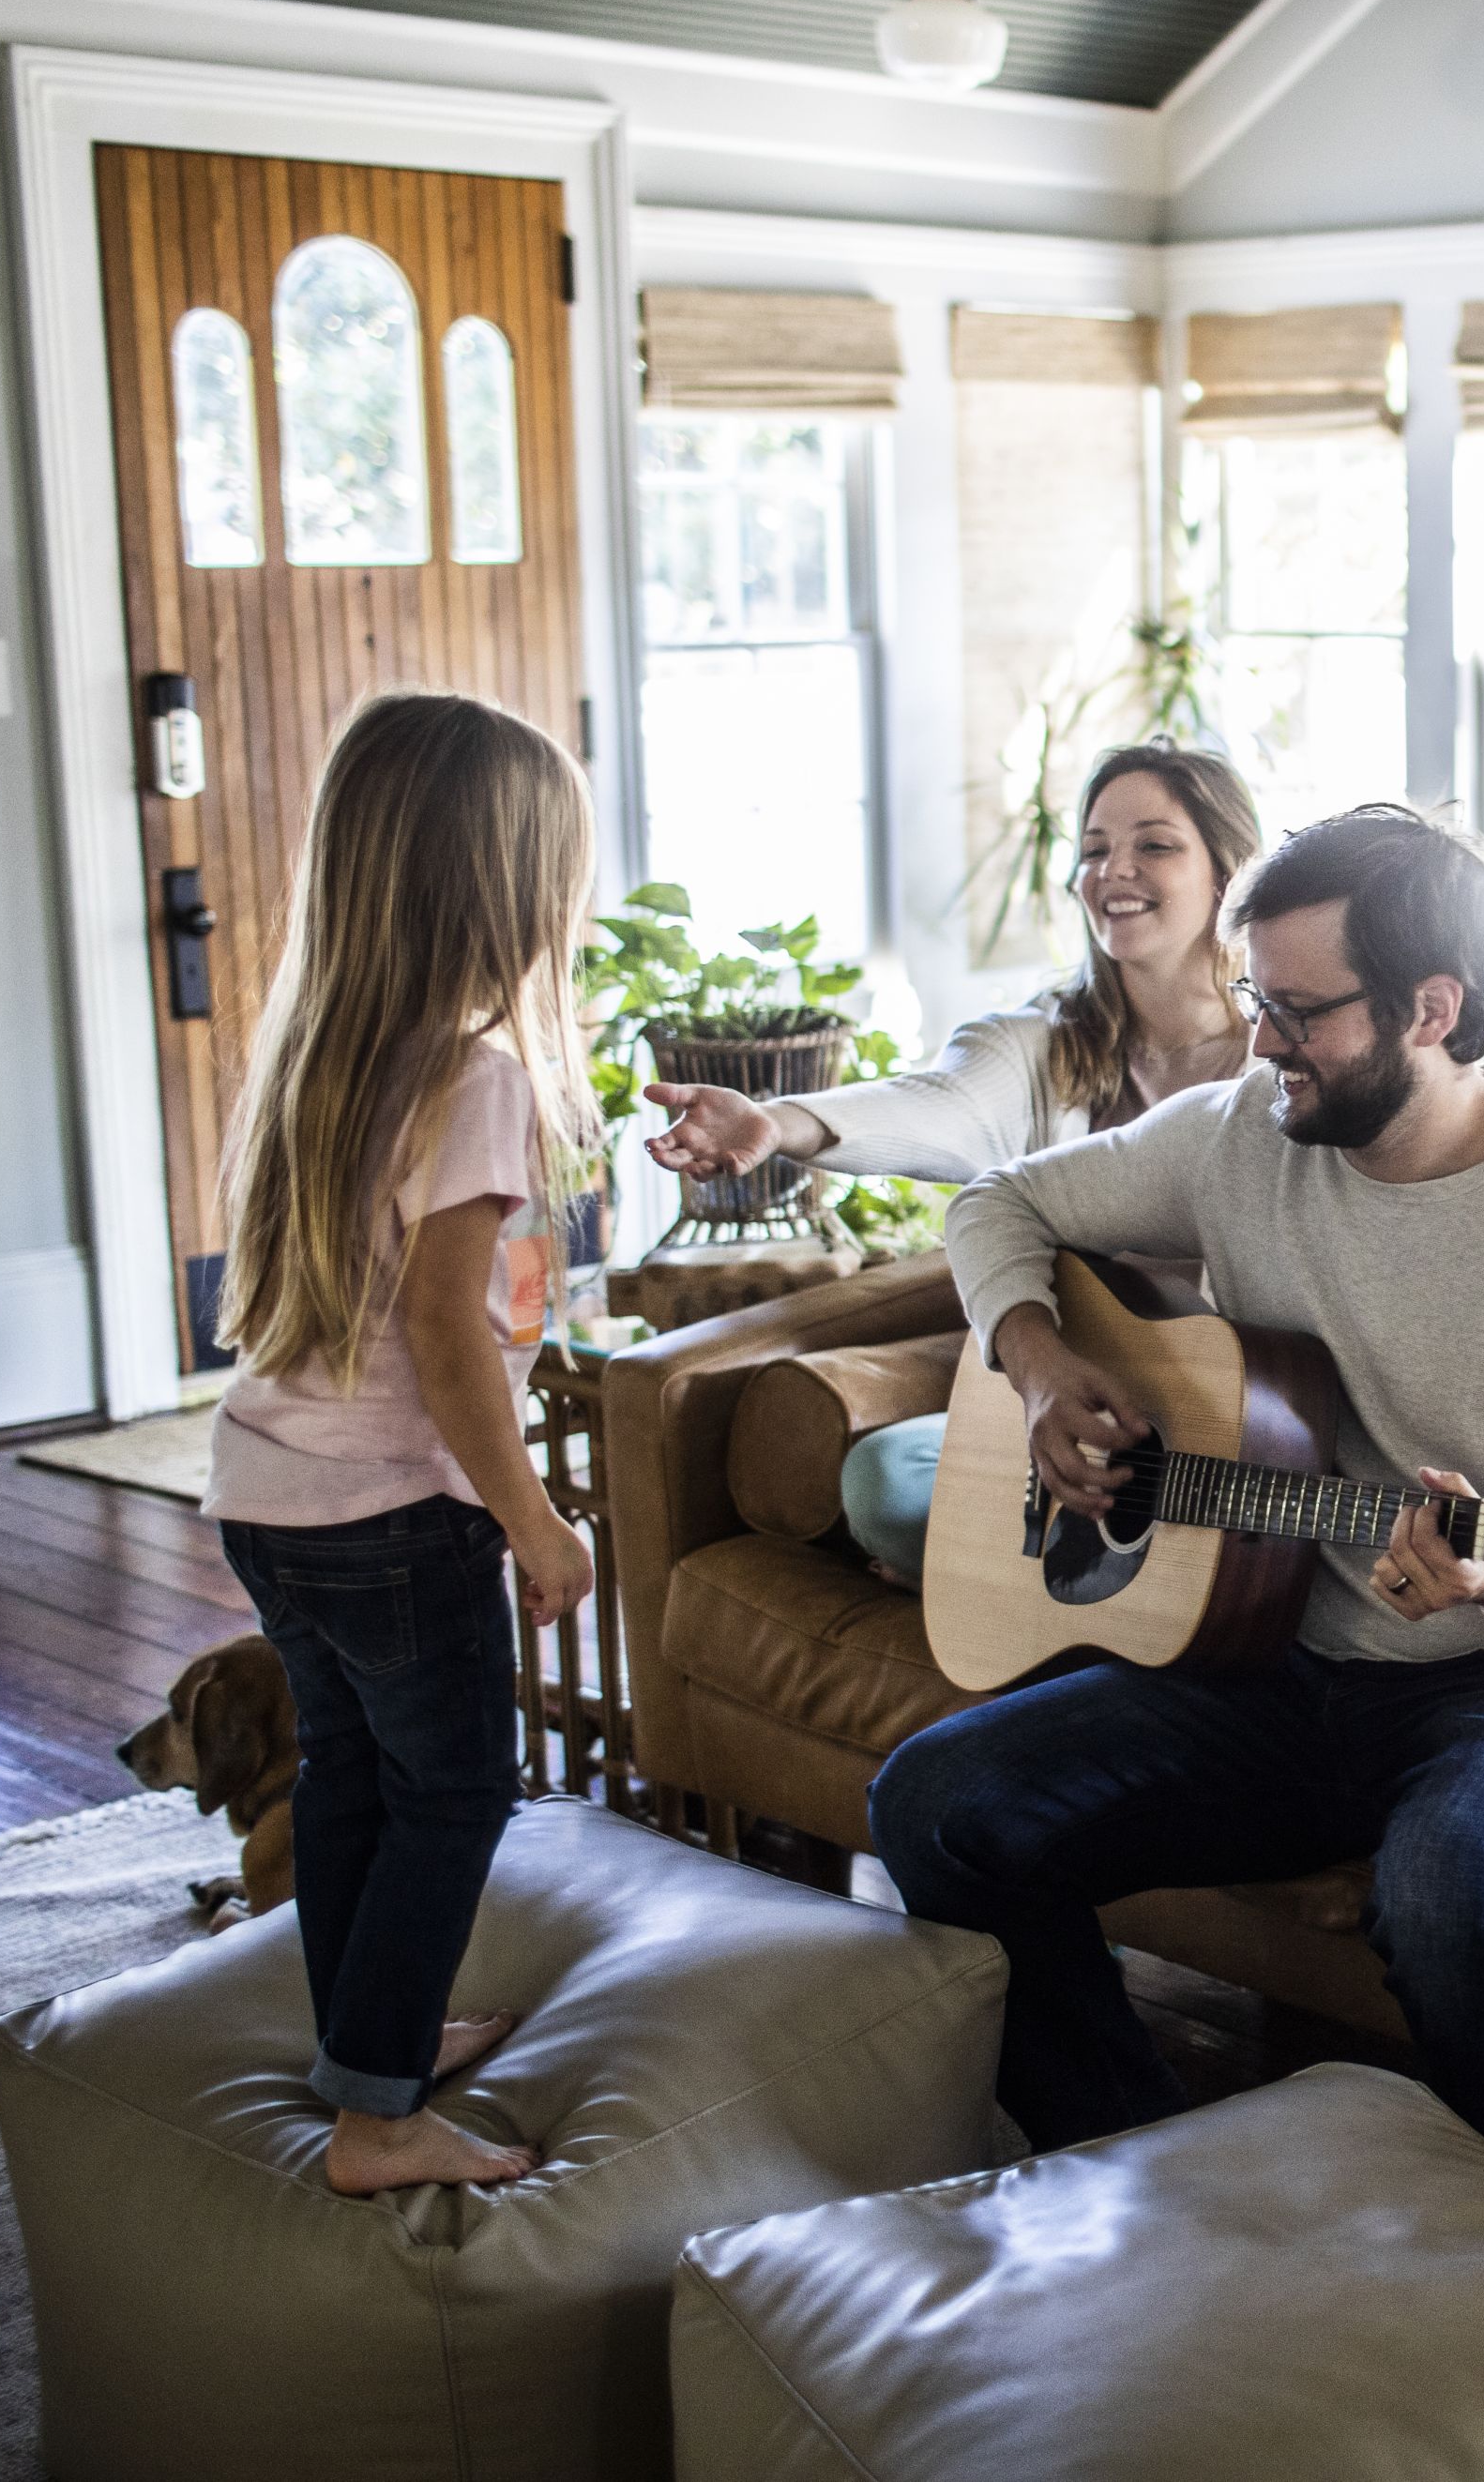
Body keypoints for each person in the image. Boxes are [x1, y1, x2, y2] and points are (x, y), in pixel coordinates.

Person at [869, 804, 1484, 2190]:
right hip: (1281, 1658)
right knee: (936, 1801)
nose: (1261, 1041)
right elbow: (993, 1206)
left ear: (1431, 1008)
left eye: (1300, 1011)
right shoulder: (1238, 1135)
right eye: (1256, 997)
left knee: (1449, 1889)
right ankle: (1139, 2169)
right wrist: (1034, 1367)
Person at [196, 691, 606, 2196]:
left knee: (356, 1775)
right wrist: (535, 1516)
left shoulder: (316, 1051)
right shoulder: (471, 1076)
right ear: (497, 892)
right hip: (388, 1515)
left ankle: (369, 2041)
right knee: (458, 1790)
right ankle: (377, 2122)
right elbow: (447, 1339)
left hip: (269, 1496)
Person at [638, 746, 1261, 1584]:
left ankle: (1004, 1571)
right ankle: (1025, 1570)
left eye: (1155, 845)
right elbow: (937, 1101)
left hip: (1231, 1426)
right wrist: (778, 1121)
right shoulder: (1046, 1041)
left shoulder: (1281, 1062)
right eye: (1093, 848)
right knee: (884, 1481)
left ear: (1228, 875)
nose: (1114, 870)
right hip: (1064, 1414)